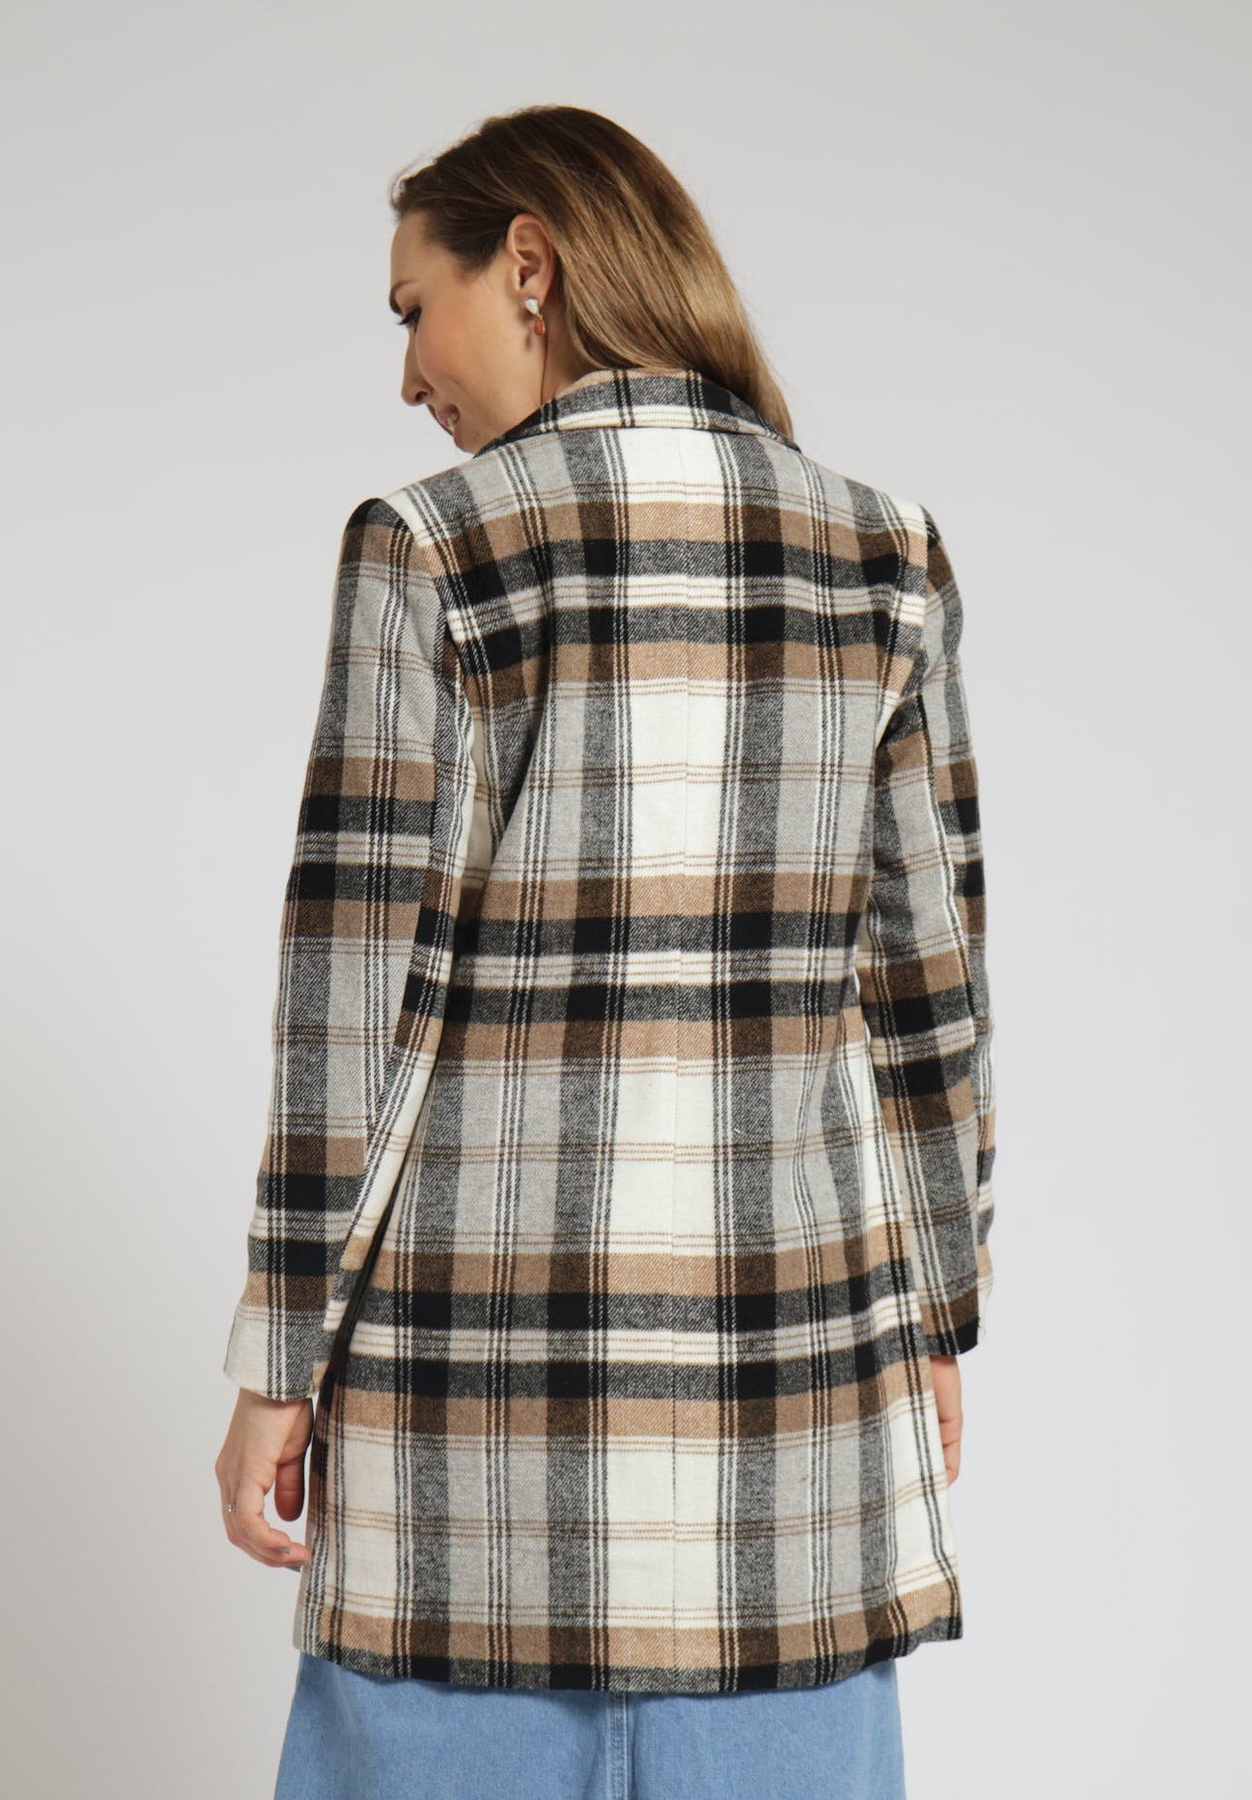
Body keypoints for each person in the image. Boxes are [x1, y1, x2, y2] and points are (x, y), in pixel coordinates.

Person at [214, 103, 996, 1800]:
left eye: (413, 310)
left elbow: (349, 1002)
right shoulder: (885, 552)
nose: (407, 375)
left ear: (532, 265)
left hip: (472, 1449)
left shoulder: (432, 543)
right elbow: (930, 991)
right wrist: (940, 1312)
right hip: (788, 1444)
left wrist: (281, 1364)